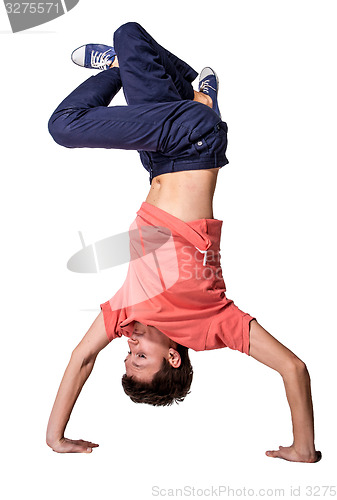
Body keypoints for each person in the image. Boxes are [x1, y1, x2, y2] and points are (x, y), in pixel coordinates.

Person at [46, 22, 321, 463]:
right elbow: (294, 368)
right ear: (172, 359)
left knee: (133, 37)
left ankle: (191, 87)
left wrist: (54, 437)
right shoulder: (213, 326)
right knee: (64, 126)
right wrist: (303, 449)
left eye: (126, 358)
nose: (129, 348)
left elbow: (81, 359)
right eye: (140, 359)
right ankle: (151, 80)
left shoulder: (125, 315)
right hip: (191, 142)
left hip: (158, 154)